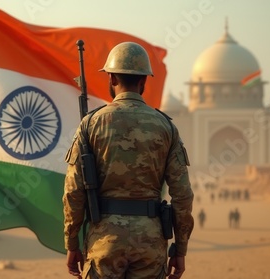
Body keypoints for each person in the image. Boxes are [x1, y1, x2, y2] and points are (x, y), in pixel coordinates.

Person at [63, 42, 194, 279]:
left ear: (112, 78)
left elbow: (74, 192)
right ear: (144, 82)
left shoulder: (91, 124)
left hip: (105, 241)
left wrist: (72, 244)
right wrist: (180, 249)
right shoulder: (166, 127)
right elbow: (183, 195)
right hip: (151, 243)